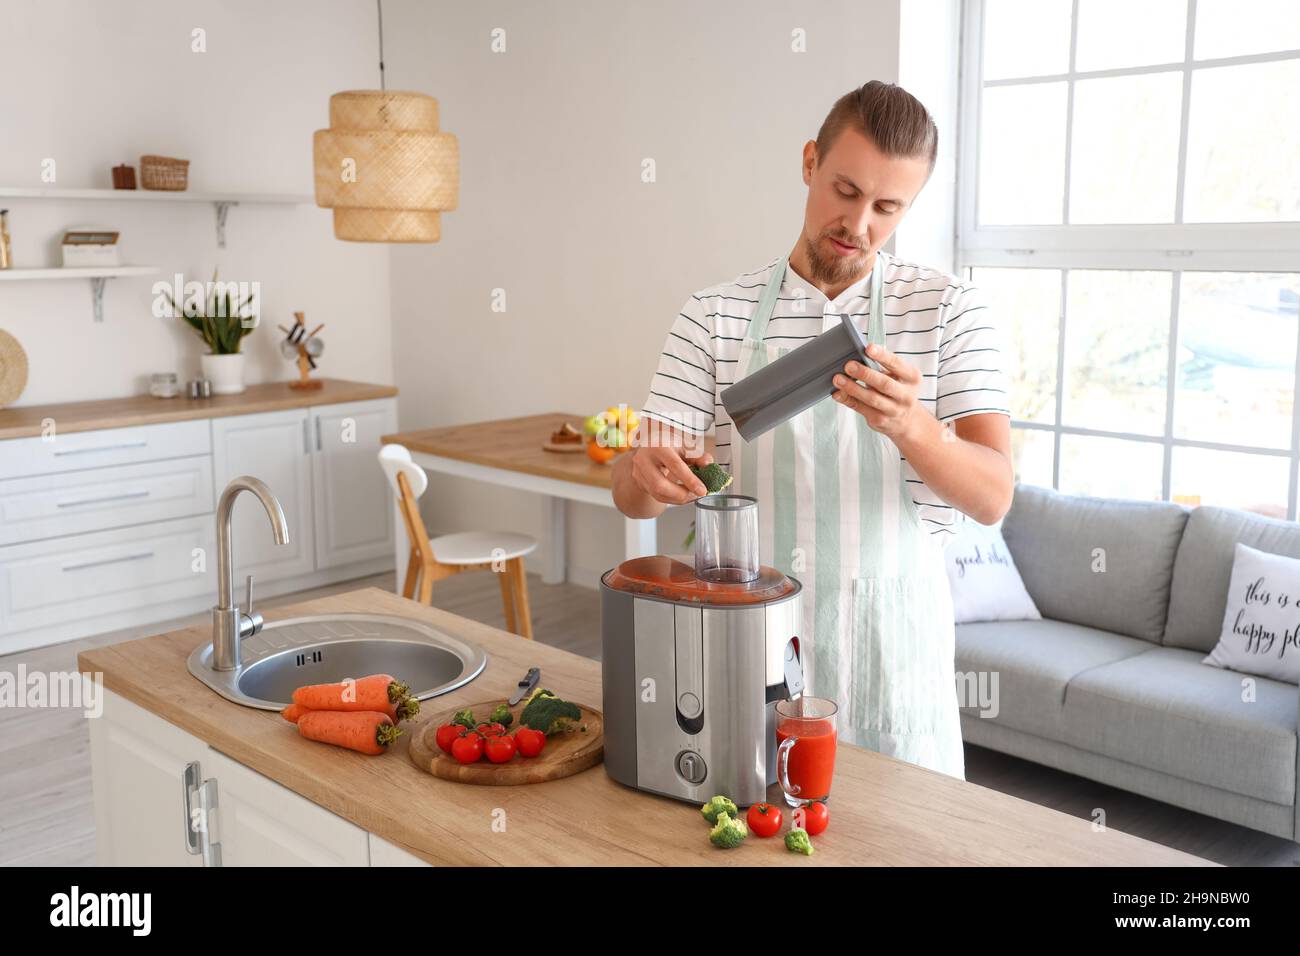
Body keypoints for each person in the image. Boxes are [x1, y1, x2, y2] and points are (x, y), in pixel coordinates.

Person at [611, 81, 1014, 781]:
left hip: (896, 664)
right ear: (808, 163)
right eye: (844, 190)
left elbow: (993, 496)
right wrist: (645, 475)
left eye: (887, 207)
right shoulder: (714, 316)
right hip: (750, 652)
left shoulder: (949, 312)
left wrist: (912, 426)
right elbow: (632, 493)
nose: (858, 223)